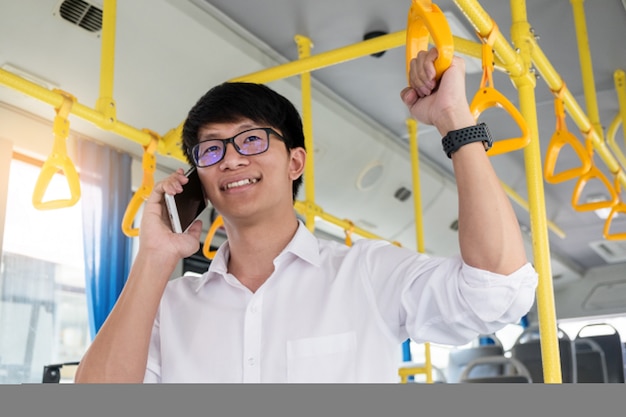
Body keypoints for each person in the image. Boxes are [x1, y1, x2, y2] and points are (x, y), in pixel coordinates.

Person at [74, 48, 538, 383]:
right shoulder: (170, 307)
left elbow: (496, 293)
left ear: (295, 162)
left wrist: (455, 119)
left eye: (252, 140)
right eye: (211, 149)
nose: (231, 160)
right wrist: (154, 256)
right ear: (199, 177)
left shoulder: (367, 274)